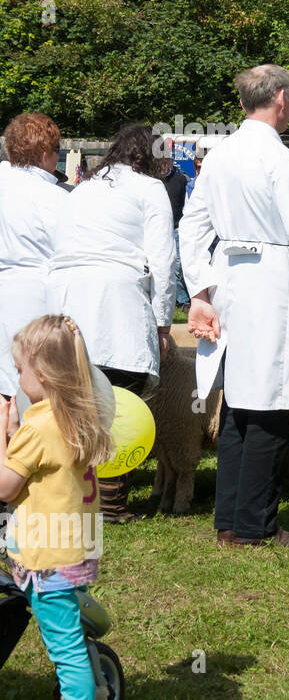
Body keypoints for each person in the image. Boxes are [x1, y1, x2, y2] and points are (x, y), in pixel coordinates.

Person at [180, 63, 289, 548]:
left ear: (242, 103)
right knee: (272, 408)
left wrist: (199, 292)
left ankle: (230, 522)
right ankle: (256, 525)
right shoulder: (282, 162)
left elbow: (191, 228)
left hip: (229, 282)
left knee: (237, 404)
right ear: (281, 99)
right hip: (272, 285)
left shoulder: (217, 156)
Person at [47, 124, 177, 523]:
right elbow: (163, 260)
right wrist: (162, 324)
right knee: (121, 402)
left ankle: (72, 497)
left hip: (67, 296)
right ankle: (113, 503)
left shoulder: (82, 188)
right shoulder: (149, 189)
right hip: (116, 300)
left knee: (75, 403)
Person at [0, 315, 116, 700]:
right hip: (75, 550)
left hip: (46, 559)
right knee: (73, 632)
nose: (17, 379)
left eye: (20, 370)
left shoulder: (37, 428)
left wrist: (3, 440)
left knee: (64, 649)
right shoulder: (78, 415)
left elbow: (6, 488)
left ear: (44, 375)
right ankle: (98, 685)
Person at [0, 113, 67, 400]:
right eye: (57, 152)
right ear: (44, 154)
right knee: (35, 384)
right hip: (38, 295)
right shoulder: (56, 198)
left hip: (6, 288)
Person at [162, 155, 191, 310]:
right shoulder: (153, 181)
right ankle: (178, 300)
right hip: (160, 230)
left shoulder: (181, 180)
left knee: (179, 266)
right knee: (165, 266)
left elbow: (187, 204)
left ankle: (185, 301)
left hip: (176, 229)